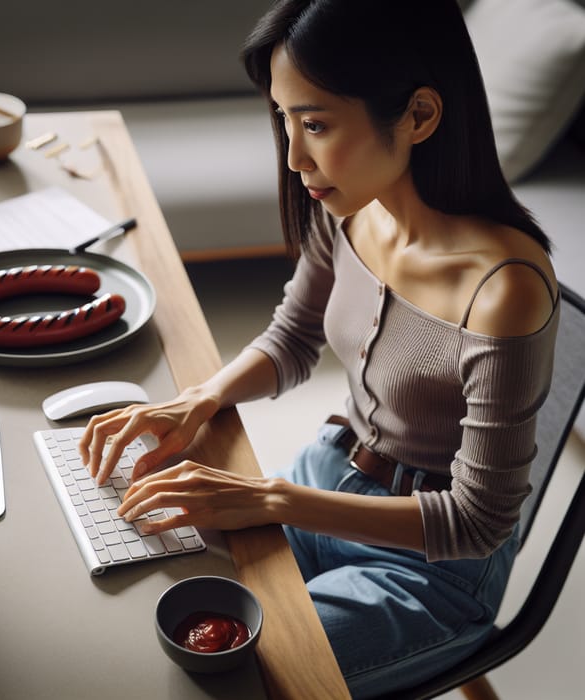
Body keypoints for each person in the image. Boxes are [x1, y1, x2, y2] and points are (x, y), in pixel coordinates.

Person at [79, 0, 560, 696]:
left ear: (420, 116)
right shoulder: (351, 208)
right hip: (325, 477)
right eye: (283, 119)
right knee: (145, 581)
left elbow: (477, 521)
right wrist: (197, 400)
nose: (294, 156)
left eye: (315, 123)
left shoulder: (502, 289)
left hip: (426, 566)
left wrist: (271, 499)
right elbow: (293, 337)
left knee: (224, 675)